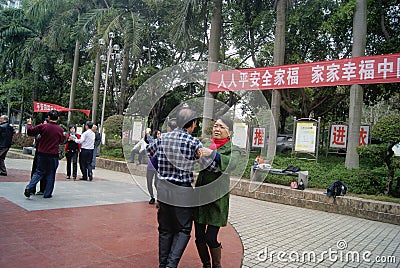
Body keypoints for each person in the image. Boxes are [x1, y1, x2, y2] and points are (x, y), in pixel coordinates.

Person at [146, 108, 203, 268]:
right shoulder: (194, 142)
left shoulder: (163, 138)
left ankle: (163, 264)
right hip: (183, 190)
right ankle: (171, 265)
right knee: (183, 229)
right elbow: (205, 162)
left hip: (163, 188)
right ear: (192, 124)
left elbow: (149, 150)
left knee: (165, 228)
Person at [194, 116, 240, 268]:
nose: (217, 129)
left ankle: (217, 265)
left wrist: (212, 154)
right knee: (199, 237)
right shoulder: (206, 144)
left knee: (210, 237)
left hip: (217, 199)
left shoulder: (234, 149)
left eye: (221, 127)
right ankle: (206, 264)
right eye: (215, 126)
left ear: (230, 132)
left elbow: (231, 164)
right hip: (200, 195)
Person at [24, 110, 65, 198]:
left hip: (42, 154)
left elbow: (30, 132)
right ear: (58, 118)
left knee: (38, 172)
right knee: (51, 173)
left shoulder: (43, 127)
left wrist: (29, 124)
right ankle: (47, 193)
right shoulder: (60, 129)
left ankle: (29, 187)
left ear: (48, 117)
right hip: (53, 155)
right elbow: (62, 141)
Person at [31, 118, 49, 195]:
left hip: (43, 154)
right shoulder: (38, 133)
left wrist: (29, 125)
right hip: (39, 154)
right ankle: (32, 189)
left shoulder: (47, 133)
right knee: (36, 171)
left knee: (41, 172)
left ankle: (42, 189)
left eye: (44, 123)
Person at [145, 129, 161, 205]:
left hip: (158, 167)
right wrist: (147, 132)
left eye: (160, 134)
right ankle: (152, 197)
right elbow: (148, 138)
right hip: (151, 166)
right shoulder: (153, 142)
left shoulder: (162, 143)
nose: (159, 135)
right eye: (157, 134)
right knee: (149, 182)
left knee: (156, 183)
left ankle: (160, 199)